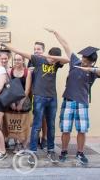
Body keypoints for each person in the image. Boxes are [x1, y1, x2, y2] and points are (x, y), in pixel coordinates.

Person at [0, 40, 69, 164]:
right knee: (36, 125)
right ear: (48, 55)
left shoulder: (56, 64)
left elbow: (68, 59)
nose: (53, 62)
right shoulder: (38, 60)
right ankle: (33, 151)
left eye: (55, 60)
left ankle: (50, 150)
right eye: (52, 58)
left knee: (51, 125)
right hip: (39, 97)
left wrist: (54, 58)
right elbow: (18, 51)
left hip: (52, 98)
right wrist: (4, 45)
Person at [46, 28, 100, 165]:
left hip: (82, 103)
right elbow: (66, 45)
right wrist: (55, 32)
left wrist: (90, 69)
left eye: (86, 60)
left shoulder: (94, 71)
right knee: (65, 129)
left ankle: (80, 153)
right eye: (83, 58)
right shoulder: (74, 62)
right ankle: (63, 152)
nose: (83, 61)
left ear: (92, 62)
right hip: (68, 101)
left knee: (82, 130)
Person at [7, 53, 32, 153]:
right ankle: (17, 143)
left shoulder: (27, 72)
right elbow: (9, 88)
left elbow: (27, 90)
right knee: (14, 123)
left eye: (19, 60)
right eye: (15, 60)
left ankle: (23, 143)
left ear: (23, 61)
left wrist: (21, 103)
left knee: (23, 123)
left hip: (23, 100)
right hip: (12, 100)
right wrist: (12, 102)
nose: (17, 62)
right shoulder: (10, 71)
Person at [28, 41, 48, 150]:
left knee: (44, 117)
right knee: (36, 117)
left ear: (43, 51)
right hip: (33, 92)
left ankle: (44, 138)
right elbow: (28, 76)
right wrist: (29, 71)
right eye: (35, 49)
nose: (36, 51)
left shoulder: (47, 60)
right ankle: (34, 139)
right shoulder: (31, 60)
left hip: (44, 93)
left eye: (39, 49)